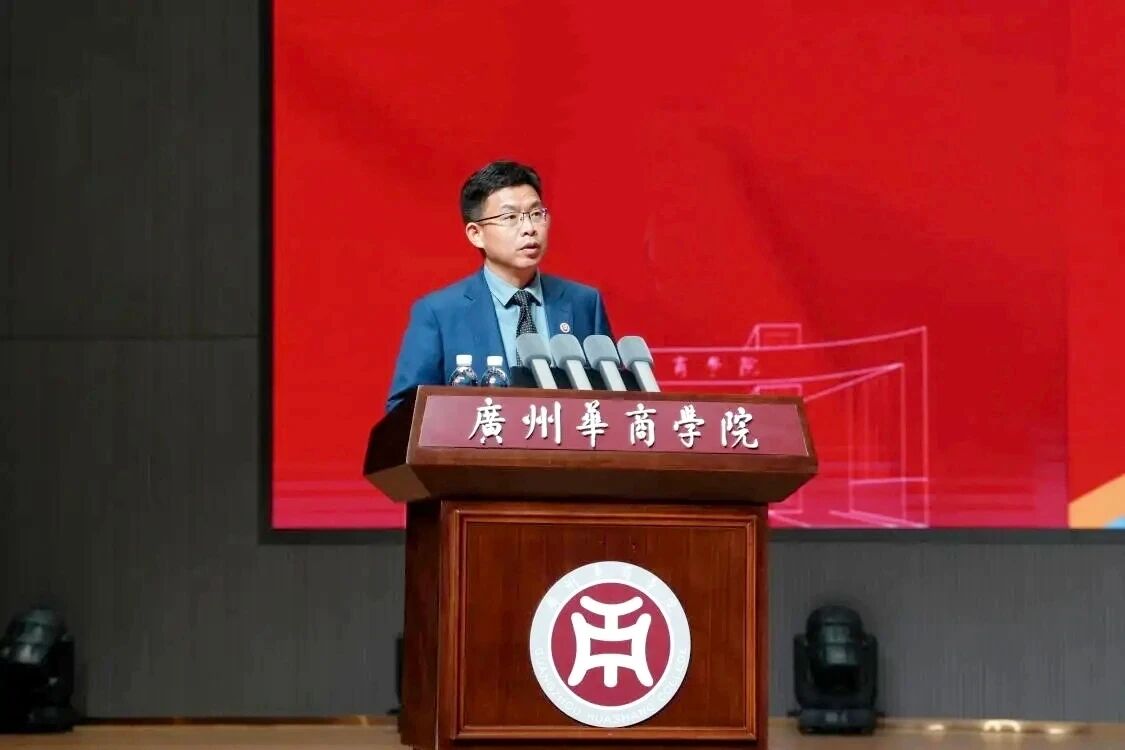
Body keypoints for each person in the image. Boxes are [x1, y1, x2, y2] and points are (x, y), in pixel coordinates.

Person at [386, 160, 613, 411]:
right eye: (510, 217)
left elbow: (614, 403)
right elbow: (404, 411)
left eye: (536, 214)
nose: (529, 229)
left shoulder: (584, 303)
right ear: (476, 234)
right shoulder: (439, 314)